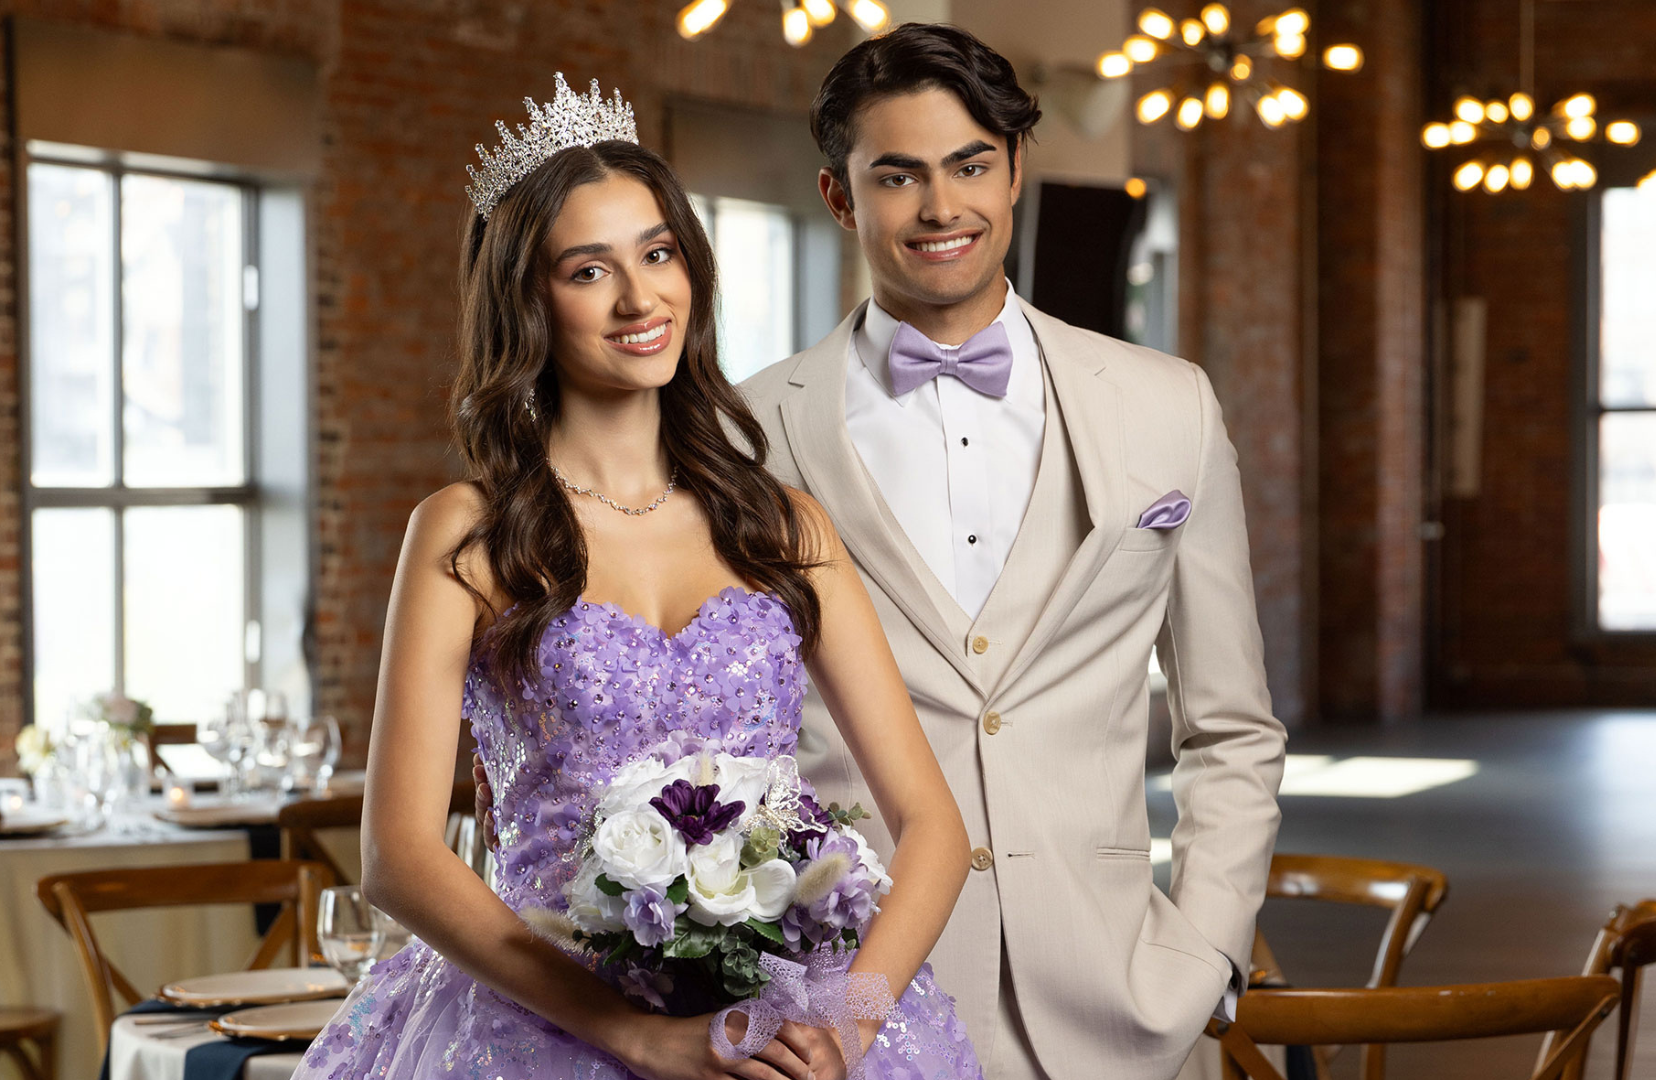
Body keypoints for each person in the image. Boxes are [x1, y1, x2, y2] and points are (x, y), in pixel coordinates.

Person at [295, 75, 984, 1080]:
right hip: (545, 1025)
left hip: (787, 1023)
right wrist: (633, 1036)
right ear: (527, 299)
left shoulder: (781, 526)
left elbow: (933, 827)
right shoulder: (468, 533)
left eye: (658, 253)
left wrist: (850, 1024)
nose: (640, 297)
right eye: (588, 270)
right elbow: (398, 857)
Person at [734, 23, 1288, 1080]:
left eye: (971, 166)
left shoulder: (1168, 405)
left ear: (1017, 168)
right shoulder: (741, 434)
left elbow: (1231, 725)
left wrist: (1206, 950)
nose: (942, 208)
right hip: (851, 1012)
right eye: (898, 177)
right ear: (839, 197)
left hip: (1122, 1005)